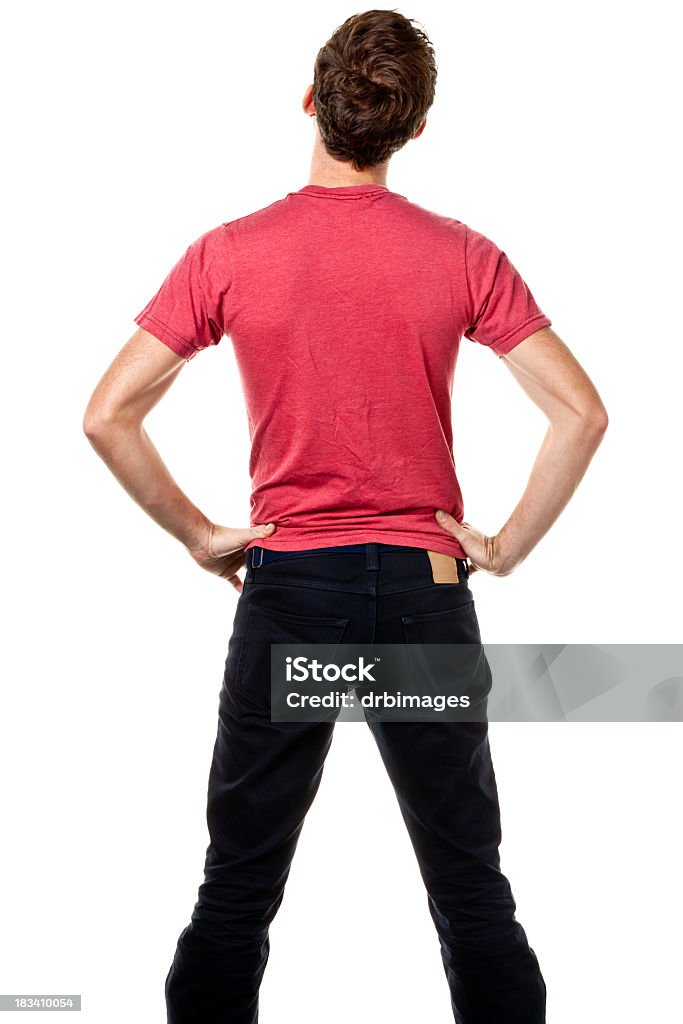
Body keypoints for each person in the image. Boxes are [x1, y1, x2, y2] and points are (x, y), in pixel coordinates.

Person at [83, 10, 608, 1023]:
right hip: (424, 592)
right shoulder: (460, 254)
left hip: (293, 592)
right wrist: (499, 547)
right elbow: (580, 413)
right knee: (469, 890)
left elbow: (107, 414)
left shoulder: (228, 253)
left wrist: (200, 534)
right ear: (413, 131)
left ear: (309, 102)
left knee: (235, 889)